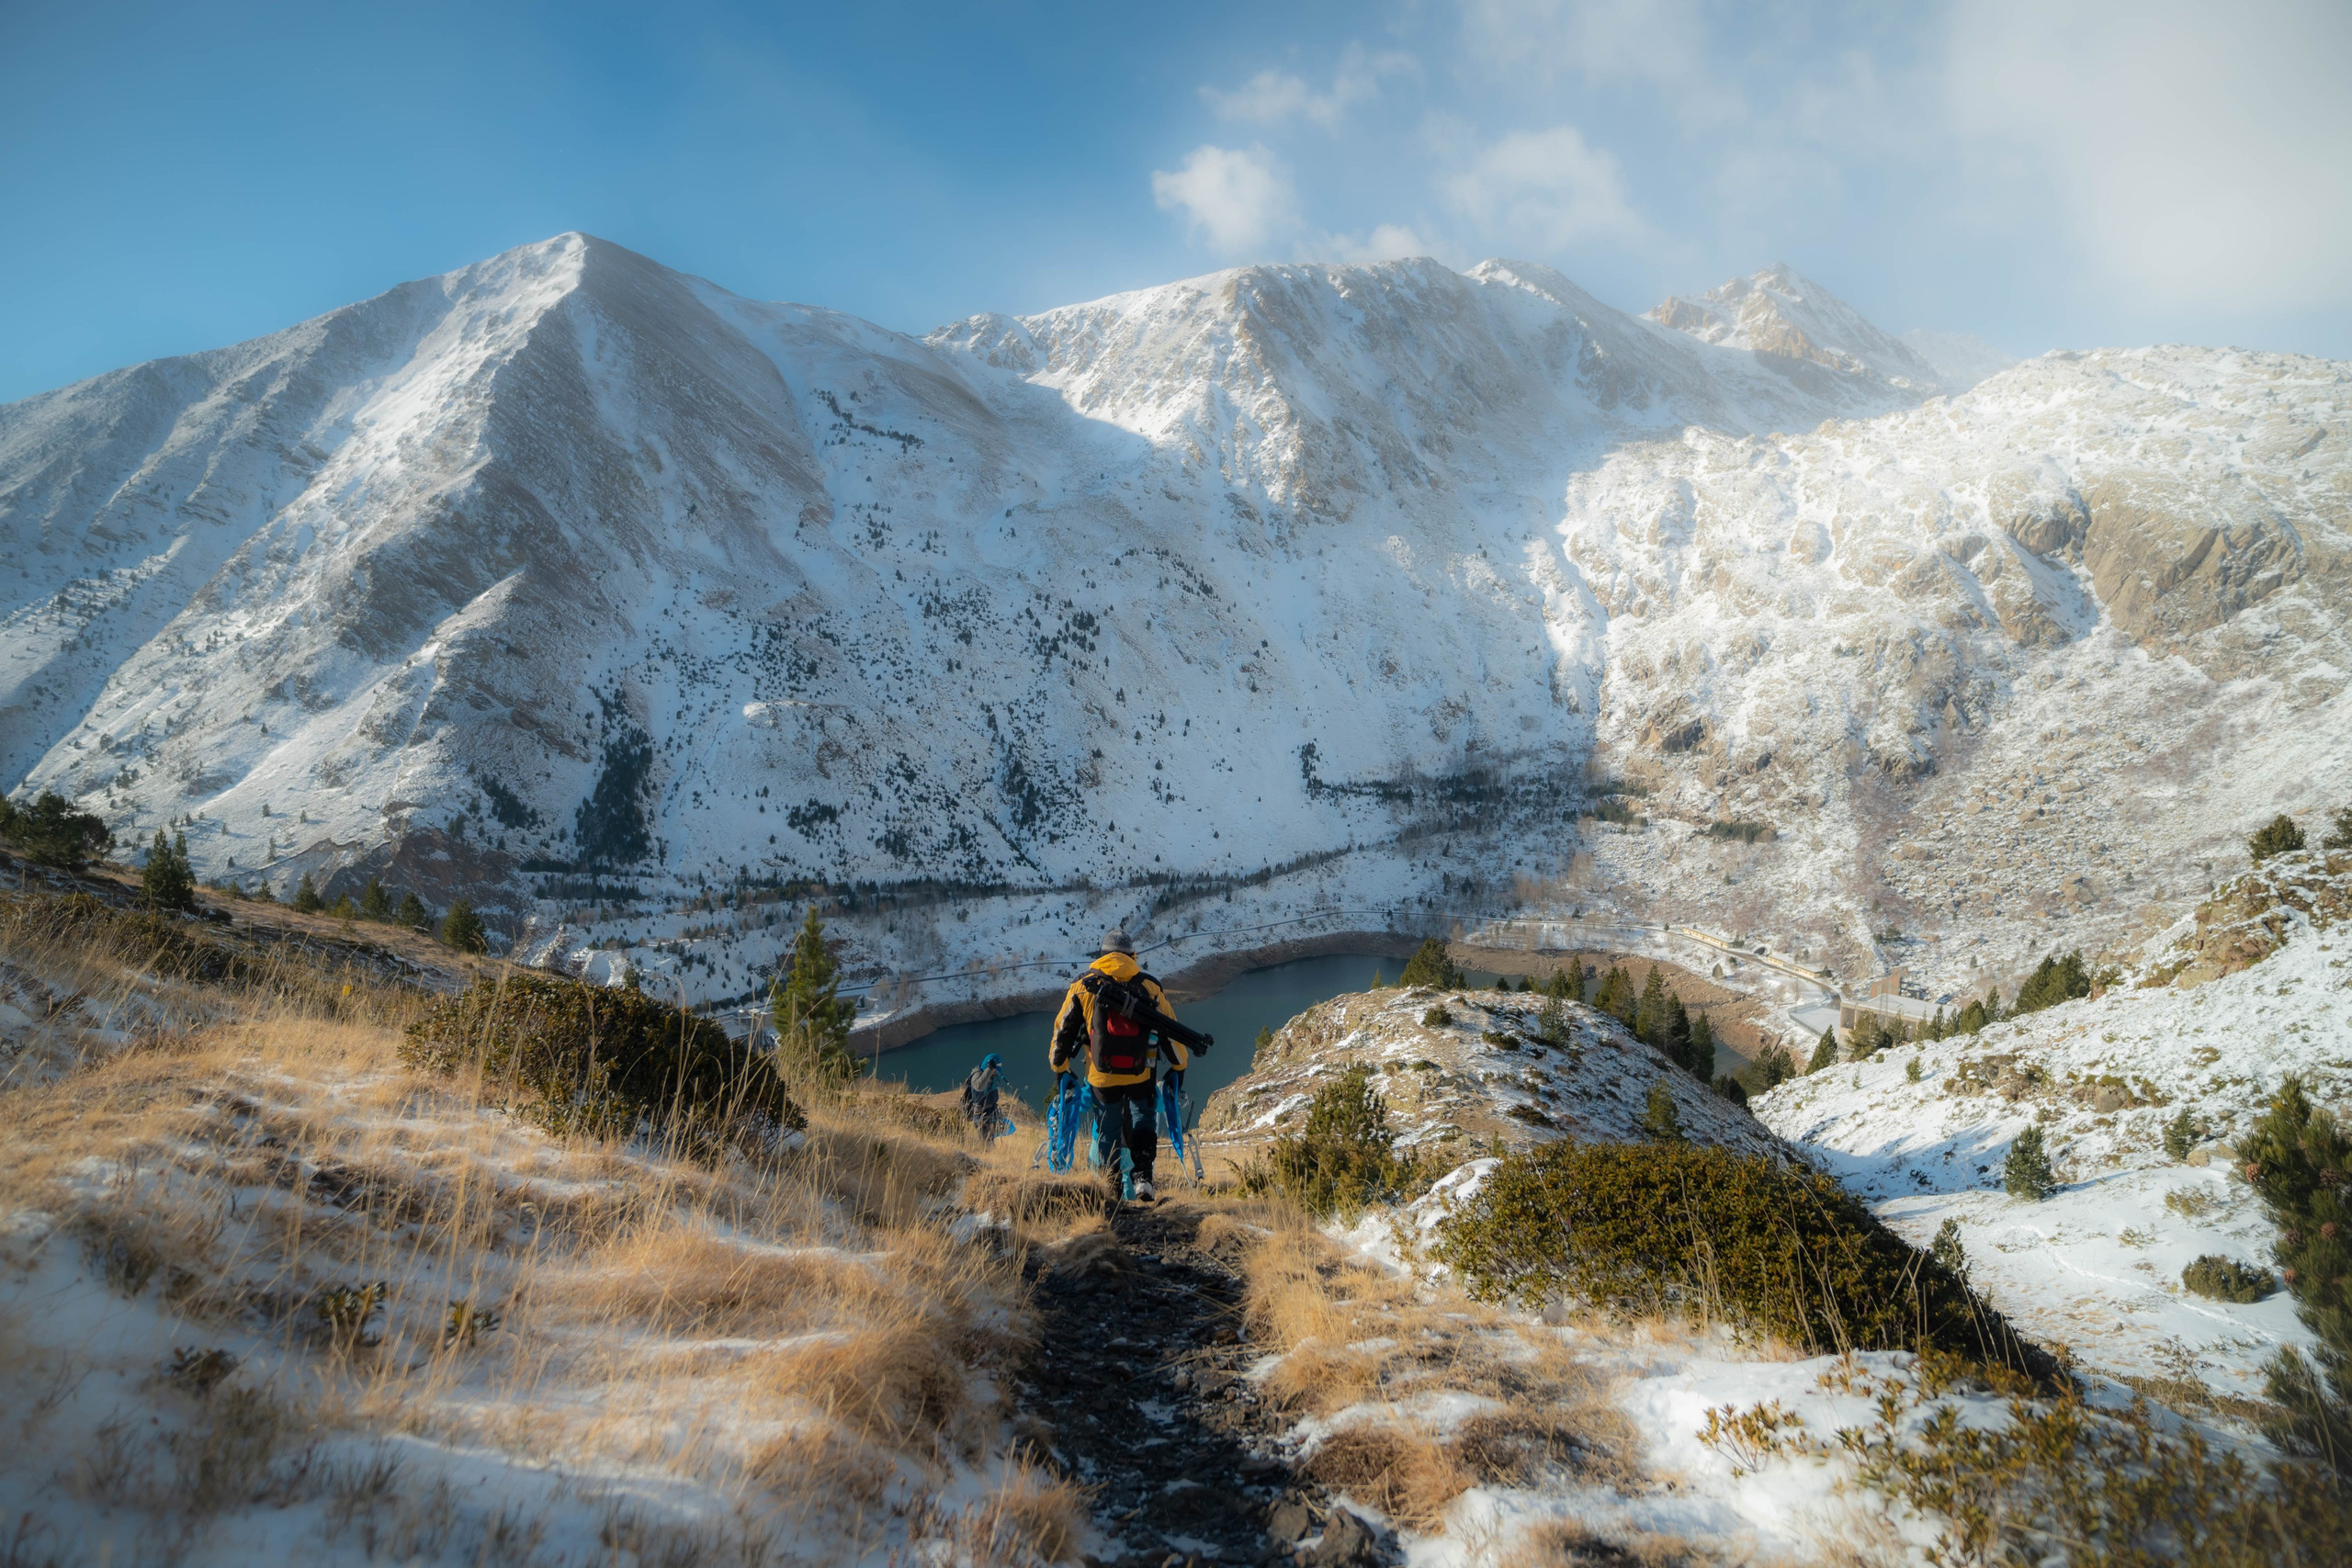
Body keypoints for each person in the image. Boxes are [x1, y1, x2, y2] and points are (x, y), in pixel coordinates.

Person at [1048, 930, 1186, 1201]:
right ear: (1132, 955)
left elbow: (1062, 1032)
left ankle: (1110, 1187)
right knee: (1143, 1119)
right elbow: (1171, 1031)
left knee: (1107, 1127)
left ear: (1102, 955)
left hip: (1102, 1077)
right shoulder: (1149, 986)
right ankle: (1143, 1176)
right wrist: (1179, 1066)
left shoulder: (1084, 986)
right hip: (1141, 1074)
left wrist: (1060, 1067)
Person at [962, 1053, 1005, 1142]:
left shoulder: (990, 1076)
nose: (996, 1072)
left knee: (989, 1141)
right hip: (981, 1116)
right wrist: (989, 1070)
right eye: (995, 1070)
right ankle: (982, 1154)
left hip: (990, 1115)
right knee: (986, 1143)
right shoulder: (977, 1075)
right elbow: (979, 1087)